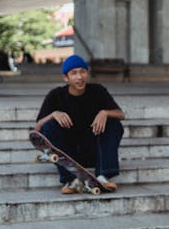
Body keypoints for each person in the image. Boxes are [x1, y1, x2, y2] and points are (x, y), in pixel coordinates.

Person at [35, 54, 125, 194]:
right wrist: (52, 115)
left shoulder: (98, 91)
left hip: (95, 152)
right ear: (66, 78)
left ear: (87, 74)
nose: (79, 77)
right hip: (69, 155)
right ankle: (70, 179)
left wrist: (105, 112)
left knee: (113, 123)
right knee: (49, 126)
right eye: (74, 73)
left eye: (83, 72)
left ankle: (103, 176)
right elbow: (38, 130)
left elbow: (121, 115)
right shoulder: (55, 95)